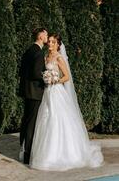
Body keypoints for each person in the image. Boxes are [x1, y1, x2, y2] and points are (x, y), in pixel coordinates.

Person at [29, 34, 104, 171]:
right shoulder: (46, 57)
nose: (50, 44)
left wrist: (55, 80)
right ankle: (47, 155)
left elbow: (67, 77)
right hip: (47, 93)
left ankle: (65, 154)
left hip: (57, 91)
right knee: (46, 119)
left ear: (58, 44)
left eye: (53, 42)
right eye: (49, 42)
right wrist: (47, 79)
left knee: (58, 120)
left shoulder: (58, 57)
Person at [19, 28, 48, 164]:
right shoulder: (38, 52)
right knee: (31, 123)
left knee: (26, 121)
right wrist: (47, 77)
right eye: (46, 34)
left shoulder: (29, 50)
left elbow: (22, 71)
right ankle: (27, 154)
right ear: (41, 36)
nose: (47, 36)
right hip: (35, 92)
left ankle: (22, 149)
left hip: (27, 91)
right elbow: (36, 73)